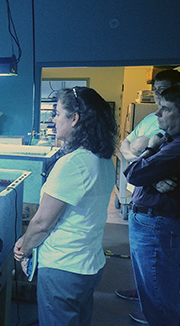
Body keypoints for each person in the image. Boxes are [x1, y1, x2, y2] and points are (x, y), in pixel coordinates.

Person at [14, 87, 118, 326]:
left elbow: (42, 223)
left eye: (58, 113)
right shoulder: (101, 159)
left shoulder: (73, 163)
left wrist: (24, 247)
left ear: (75, 119)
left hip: (64, 268)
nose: (53, 119)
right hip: (87, 263)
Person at [124, 80, 180, 326]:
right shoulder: (176, 138)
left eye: (165, 109)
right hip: (155, 224)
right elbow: (145, 174)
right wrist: (153, 177)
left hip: (159, 229)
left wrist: (150, 148)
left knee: (160, 301)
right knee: (153, 294)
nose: (157, 113)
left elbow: (133, 173)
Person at [115, 69, 180, 324]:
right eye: (156, 90)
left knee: (159, 275)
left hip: (160, 217)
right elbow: (125, 146)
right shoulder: (149, 119)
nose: (158, 98)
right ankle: (144, 297)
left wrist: (142, 167)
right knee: (147, 269)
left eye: (164, 92)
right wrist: (147, 170)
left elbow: (137, 166)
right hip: (142, 201)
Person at [120, 69, 180, 161]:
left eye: (162, 89)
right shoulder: (150, 117)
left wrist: (137, 159)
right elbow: (125, 142)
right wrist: (135, 159)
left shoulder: (173, 120)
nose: (156, 93)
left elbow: (138, 147)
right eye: (155, 89)